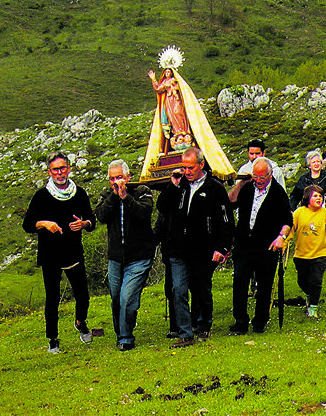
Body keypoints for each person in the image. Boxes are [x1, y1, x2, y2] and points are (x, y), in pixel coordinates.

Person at [22, 152, 96, 354]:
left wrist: (84, 223)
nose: (60, 172)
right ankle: (53, 340)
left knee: (83, 294)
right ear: (49, 172)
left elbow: (91, 220)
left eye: (63, 168)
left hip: (73, 251)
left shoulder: (79, 193)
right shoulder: (41, 196)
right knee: (52, 298)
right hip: (50, 254)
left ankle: (80, 321)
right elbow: (27, 224)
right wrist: (45, 223)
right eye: (55, 169)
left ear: (69, 169)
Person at [158, 147, 231, 347]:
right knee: (178, 289)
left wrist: (222, 247)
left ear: (201, 165)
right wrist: (172, 185)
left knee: (201, 289)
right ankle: (185, 332)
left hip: (203, 249)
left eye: (191, 167)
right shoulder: (179, 186)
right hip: (178, 249)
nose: (187, 171)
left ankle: (203, 326)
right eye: (184, 167)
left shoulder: (214, 188)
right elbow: (162, 207)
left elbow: (225, 220)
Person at [94, 160, 156, 351]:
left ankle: (125, 337)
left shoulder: (142, 192)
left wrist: (126, 197)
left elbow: (144, 214)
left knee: (127, 297)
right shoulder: (106, 195)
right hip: (115, 258)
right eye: (112, 178)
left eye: (119, 177)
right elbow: (101, 215)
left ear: (128, 177)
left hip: (139, 256)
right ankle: (120, 332)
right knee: (115, 298)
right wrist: (114, 197)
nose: (115, 182)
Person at [227, 157, 291, 333]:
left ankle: (260, 321)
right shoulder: (247, 188)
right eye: (256, 176)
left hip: (266, 246)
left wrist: (281, 238)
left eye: (263, 176)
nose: (259, 180)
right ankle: (240, 321)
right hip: (243, 244)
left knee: (264, 285)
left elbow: (287, 219)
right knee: (240, 281)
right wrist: (240, 184)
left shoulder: (278, 193)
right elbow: (230, 202)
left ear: (270, 175)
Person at [288, 186, 326, 318]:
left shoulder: (325, 213)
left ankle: (313, 307)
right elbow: (290, 229)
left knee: (316, 280)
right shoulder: (299, 212)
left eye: (320, 196)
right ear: (307, 198)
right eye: (315, 196)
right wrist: (283, 243)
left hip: (320, 253)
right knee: (302, 281)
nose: (319, 198)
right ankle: (309, 295)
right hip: (301, 254)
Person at [149, 68, 192, 153]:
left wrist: (175, 88)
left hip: (177, 100)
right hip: (169, 102)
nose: (167, 73)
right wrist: (153, 79)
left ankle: (183, 131)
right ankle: (177, 132)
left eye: (169, 72)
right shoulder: (165, 82)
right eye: (166, 72)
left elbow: (182, 88)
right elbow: (158, 89)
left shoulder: (175, 80)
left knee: (178, 113)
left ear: (172, 73)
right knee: (172, 117)